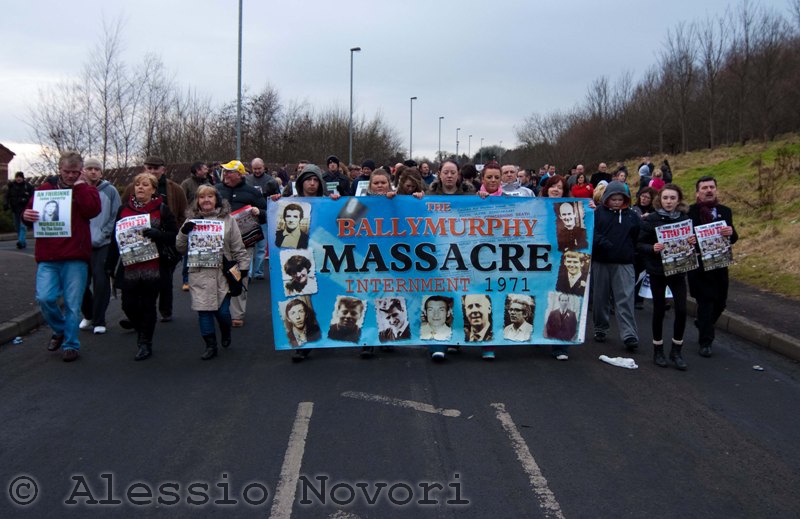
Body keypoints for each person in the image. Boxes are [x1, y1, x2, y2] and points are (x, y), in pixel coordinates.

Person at [23, 151, 101, 362]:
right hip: (48, 256)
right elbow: (30, 214)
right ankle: (60, 329)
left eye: (75, 172)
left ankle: (70, 344)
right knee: (44, 298)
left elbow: (92, 210)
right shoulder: (44, 189)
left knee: (73, 304)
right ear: (59, 169)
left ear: (81, 171)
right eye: (67, 172)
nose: (71, 176)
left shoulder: (87, 189)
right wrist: (26, 216)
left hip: (75, 256)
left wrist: (81, 187)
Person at [106, 172, 177, 361]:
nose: (140, 187)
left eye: (145, 185)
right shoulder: (123, 210)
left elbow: (174, 236)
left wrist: (158, 234)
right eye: (138, 184)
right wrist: (110, 264)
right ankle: (141, 328)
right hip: (130, 267)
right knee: (128, 305)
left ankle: (145, 342)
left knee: (148, 305)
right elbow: (115, 239)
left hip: (153, 268)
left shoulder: (161, 209)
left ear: (153, 190)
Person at [176, 184, 249, 360]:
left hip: (223, 273)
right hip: (199, 273)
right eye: (202, 197)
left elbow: (237, 246)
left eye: (210, 196)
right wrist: (184, 233)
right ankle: (210, 345)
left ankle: (225, 331)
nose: (206, 200)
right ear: (197, 201)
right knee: (204, 311)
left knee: (223, 312)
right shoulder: (191, 221)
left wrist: (243, 267)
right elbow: (180, 247)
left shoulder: (228, 220)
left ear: (216, 199)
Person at [637, 184, 697, 370]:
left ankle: (676, 350)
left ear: (678, 200)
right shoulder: (651, 219)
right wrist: (652, 248)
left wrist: (692, 241)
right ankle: (658, 349)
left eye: (672, 198)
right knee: (659, 310)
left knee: (681, 310)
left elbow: (693, 245)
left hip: (678, 270)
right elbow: (639, 244)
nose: (669, 201)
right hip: (658, 271)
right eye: (665, 198)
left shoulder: (685, 219)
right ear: (660, 200)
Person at [123, 156, 188, 323]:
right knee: (139, 280)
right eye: (149, 168)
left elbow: (182, 213)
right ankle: (138, 315)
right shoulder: (132, 187)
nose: (152, 171)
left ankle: (165, 310)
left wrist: (173, 233)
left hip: (165, 243)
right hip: (138, 243)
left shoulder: (175, 189)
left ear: (163, 170)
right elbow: (123, 212)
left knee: (165, 279)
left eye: (155, 168)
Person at [688, 176, 738, 358]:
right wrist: (690, 239)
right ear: (697, 193)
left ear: (716, 190)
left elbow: (733, 237)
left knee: (720, 303)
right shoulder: (690, 212)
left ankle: (703, 322)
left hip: (720, 265)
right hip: (699, 266)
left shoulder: (725, 211)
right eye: (704, 188)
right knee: (706, 303)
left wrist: (730, 232)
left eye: (711, 187)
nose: (709, 190)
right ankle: (706, 342)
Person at [216, 159, 266, 328]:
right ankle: (220, 309)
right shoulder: (216, 190)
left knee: (239, 276)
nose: (225, 174)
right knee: (219, 276)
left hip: (244, 242)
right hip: (219, 241)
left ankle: (237, 314)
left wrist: (259, 212)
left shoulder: (252, 192)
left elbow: (266, 212)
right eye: (224, 171)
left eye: (229, 171)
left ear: (239, 174)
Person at [591, 180, 640, 351]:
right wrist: (602, 242)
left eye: (620, 199)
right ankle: (600, 327)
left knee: (625, 299)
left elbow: (637, 236)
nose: (617, 202)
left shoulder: (632, 216)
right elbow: (591, 232)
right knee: (600, 298)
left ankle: (629, 334)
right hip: (601, 261)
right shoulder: (598, 213)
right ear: (606, 198)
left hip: (624, 262)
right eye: (614, 199)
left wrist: (630, 252)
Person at [78, 158, 121, 335]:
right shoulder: (77, 190)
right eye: (90, 168)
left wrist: (105, 233)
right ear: (83, 171)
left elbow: (116, 215)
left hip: (103, 243)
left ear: (101, 172)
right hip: (81, 244)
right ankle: (89, 314)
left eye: (97, 169)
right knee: (79, 283)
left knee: (101, 282)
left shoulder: (110, 191)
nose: (93, 172)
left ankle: (99, 320)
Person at [246, 157, 280, 280]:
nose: (257, 171)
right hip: (249, 218)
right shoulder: (247, 180)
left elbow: (278, 197)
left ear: (263, 167)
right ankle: (248, 273)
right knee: (249, 248)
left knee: (261, 248)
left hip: (264, 217)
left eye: (259, 168)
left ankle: (258, 272)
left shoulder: (271, 181)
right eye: (254, 169)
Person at [179, 162, 211, 290]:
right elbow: (182, 201)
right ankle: (186, 279)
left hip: (207, 219)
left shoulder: (209, 183)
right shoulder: (186, 183)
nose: (207, 170)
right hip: (192, 219)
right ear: (197, 170)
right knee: (189, 251)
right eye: (204, 168)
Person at [4, 171, 34, 249]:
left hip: (24, 209)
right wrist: (6, 204)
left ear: (23, 178)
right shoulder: (11, 186)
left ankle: (20, 241)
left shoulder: (28, 186)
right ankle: (22, 242)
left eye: (20, 177)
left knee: (23, 226)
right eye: (17, 177)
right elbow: (7, 196)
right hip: (15, 209)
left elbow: (33, 196)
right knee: (17, 226)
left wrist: (26, 200)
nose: (18, 178)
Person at [463, 294, 495, 359]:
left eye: (478, 305)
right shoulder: (462, 333)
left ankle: (488, 348)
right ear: (466, 312)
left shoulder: (496, 333)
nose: (474, 310)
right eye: (470, 307)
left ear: (489, 309)